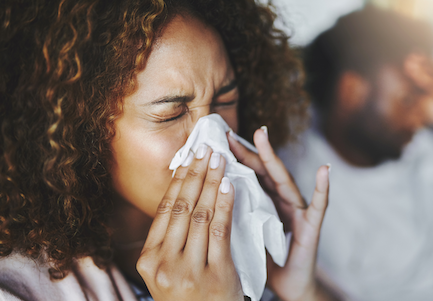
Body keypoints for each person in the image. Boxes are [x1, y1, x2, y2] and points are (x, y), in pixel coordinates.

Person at [0, 0, 336, 300]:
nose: (215, 142)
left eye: (226, 100)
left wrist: (299, 289)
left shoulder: (253, 244)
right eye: (171, 113)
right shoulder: (18, 289)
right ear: (81, 128)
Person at [279, 6, 433, 301]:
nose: (420, 115)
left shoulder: (413, 145)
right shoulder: (312, 201)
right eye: (407, 98)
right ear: (352, 91)